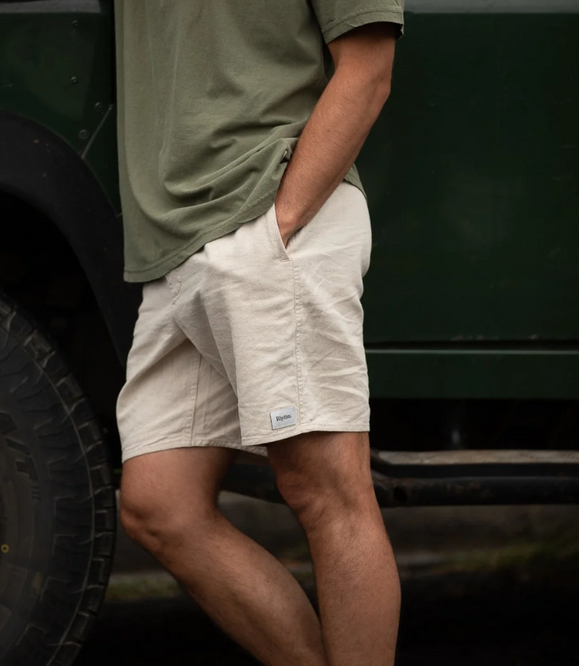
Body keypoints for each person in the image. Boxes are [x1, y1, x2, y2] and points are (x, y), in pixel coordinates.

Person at [115, 1, 404, 663]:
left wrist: (279, 225)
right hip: (176, 242)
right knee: (162, 504)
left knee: (326, 491)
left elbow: (369, 67)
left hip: (264, 207)